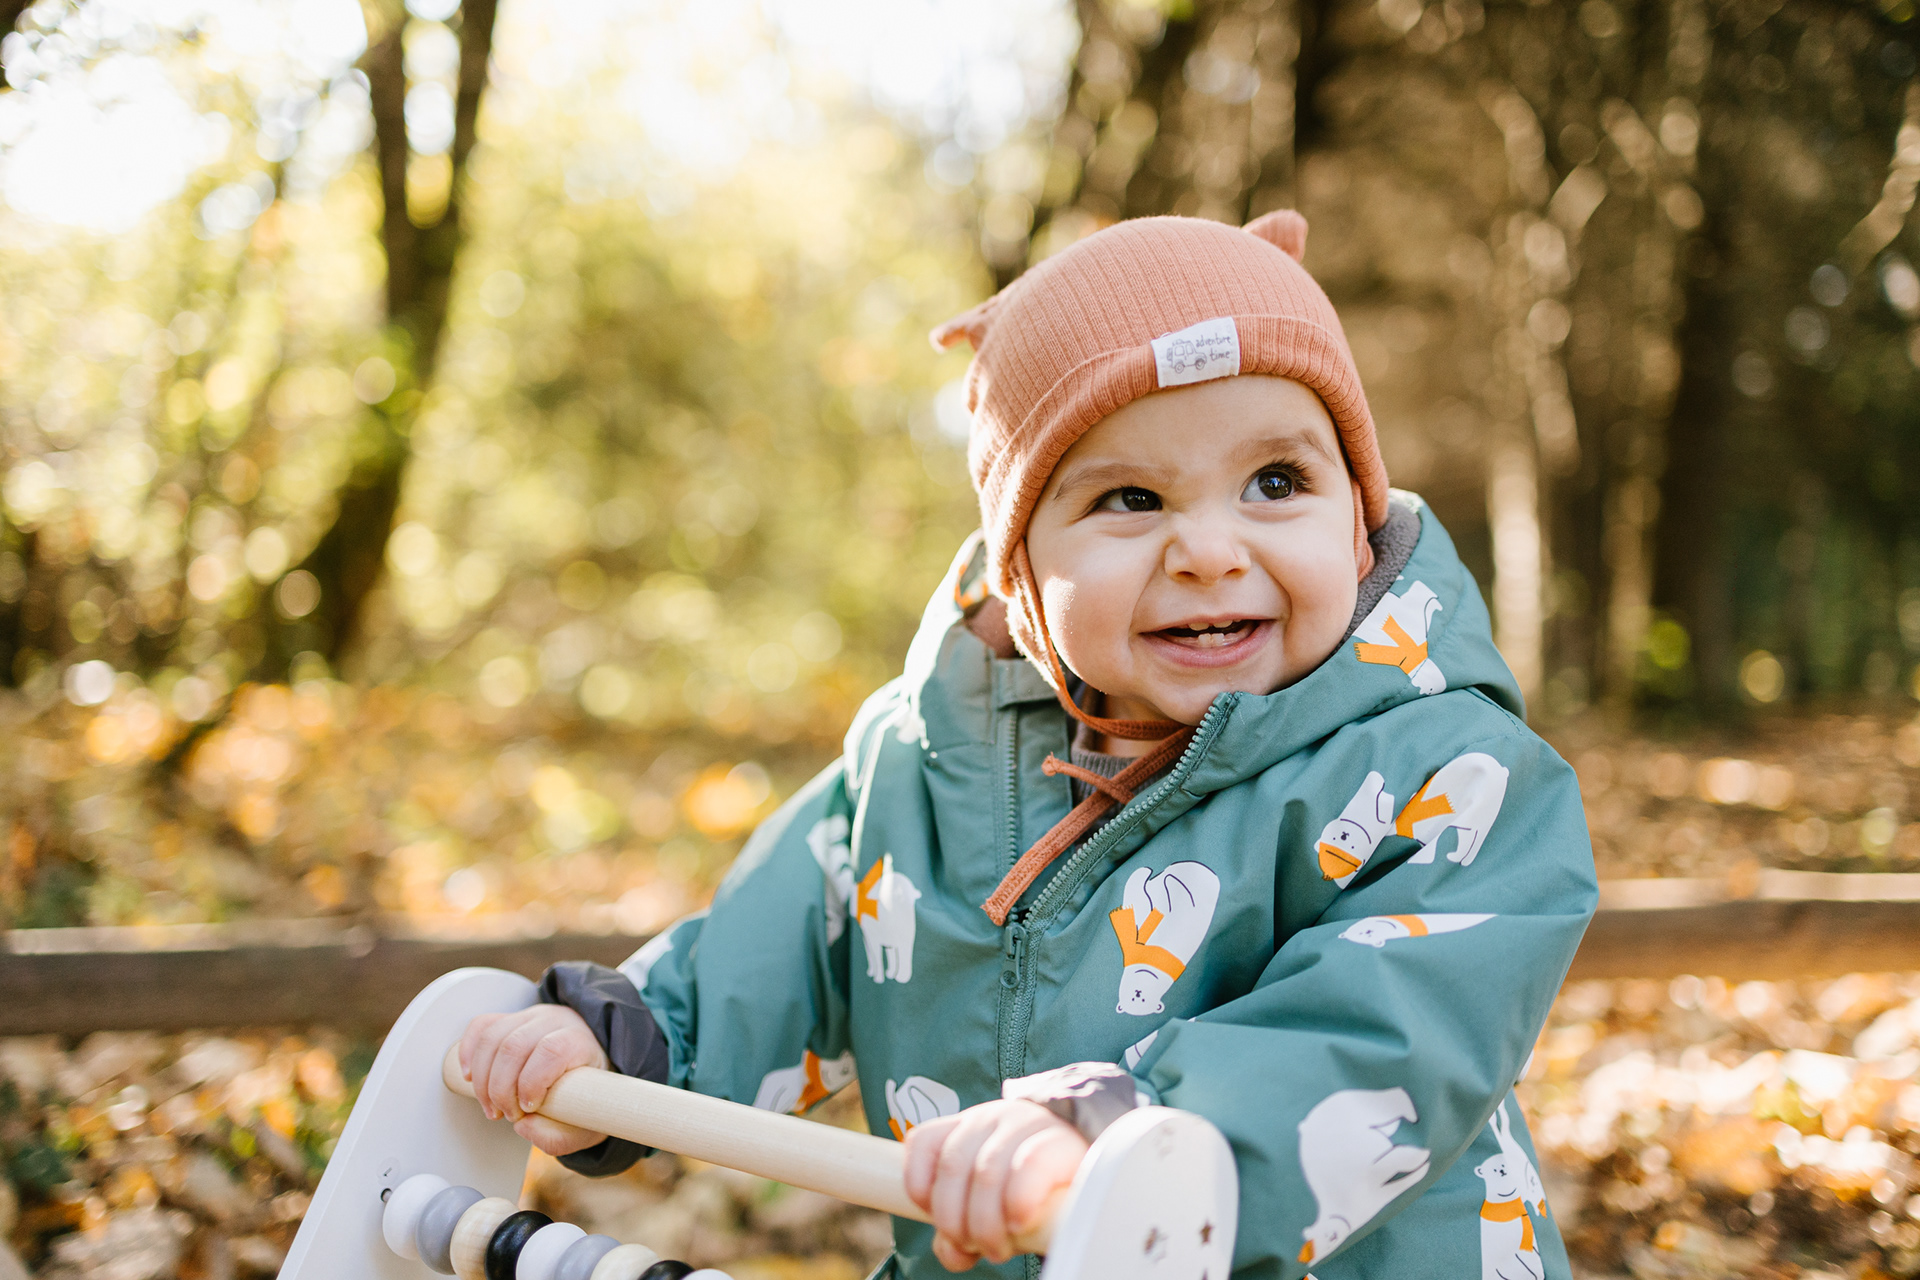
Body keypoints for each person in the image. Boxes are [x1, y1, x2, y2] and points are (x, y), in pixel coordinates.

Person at [458, 212, 1598, 1280]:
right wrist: (625, 1038)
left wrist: (1117, 1129)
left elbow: (1385, 1031)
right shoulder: (925, 757)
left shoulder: (1448, 772)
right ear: (1019, 567)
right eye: (1131, 498)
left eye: (1276, 481)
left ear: (1356, 515)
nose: (1210, 549)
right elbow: (777, 941)